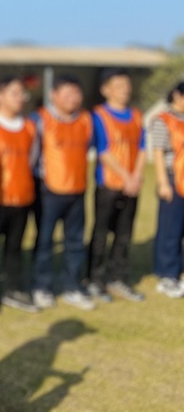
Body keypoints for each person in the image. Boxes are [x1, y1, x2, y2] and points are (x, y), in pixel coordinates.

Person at [31, 75, 95, 311]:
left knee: (75, 242)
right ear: (53, 95)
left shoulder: (86, 120)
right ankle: (42, 286)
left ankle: (72, 286)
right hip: (49, 190)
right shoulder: (41, 119)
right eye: (66, 94)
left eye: (76, 94)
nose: (72, 99)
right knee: (45, 242)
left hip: (77, 190)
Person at [0, 76, 38, 313]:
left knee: (14, 248)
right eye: (14, 93)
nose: (19, 98)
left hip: (22, 196)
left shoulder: (30, 127)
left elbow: (31, 160)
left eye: (22, 93)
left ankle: (14, 289)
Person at [88, 68, 146, 302]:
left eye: (127, 85)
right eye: (119, 86)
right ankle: (94, 279)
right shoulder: (99, 115)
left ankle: (118, 278)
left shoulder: (136, 116)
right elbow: (103, 151)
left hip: (131, 186)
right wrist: (125, 176)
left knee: (124, 235)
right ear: (106, 90)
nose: (125, 90)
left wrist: (136, 177)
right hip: (108, 185)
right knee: (101, 234)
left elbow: (142, 148)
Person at [151, 82, 184, 298]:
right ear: (175, 96)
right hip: (173, 179)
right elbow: (158, 153)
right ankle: (167, 274)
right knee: (170, 230)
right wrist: (163, 183)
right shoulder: (163, 120)